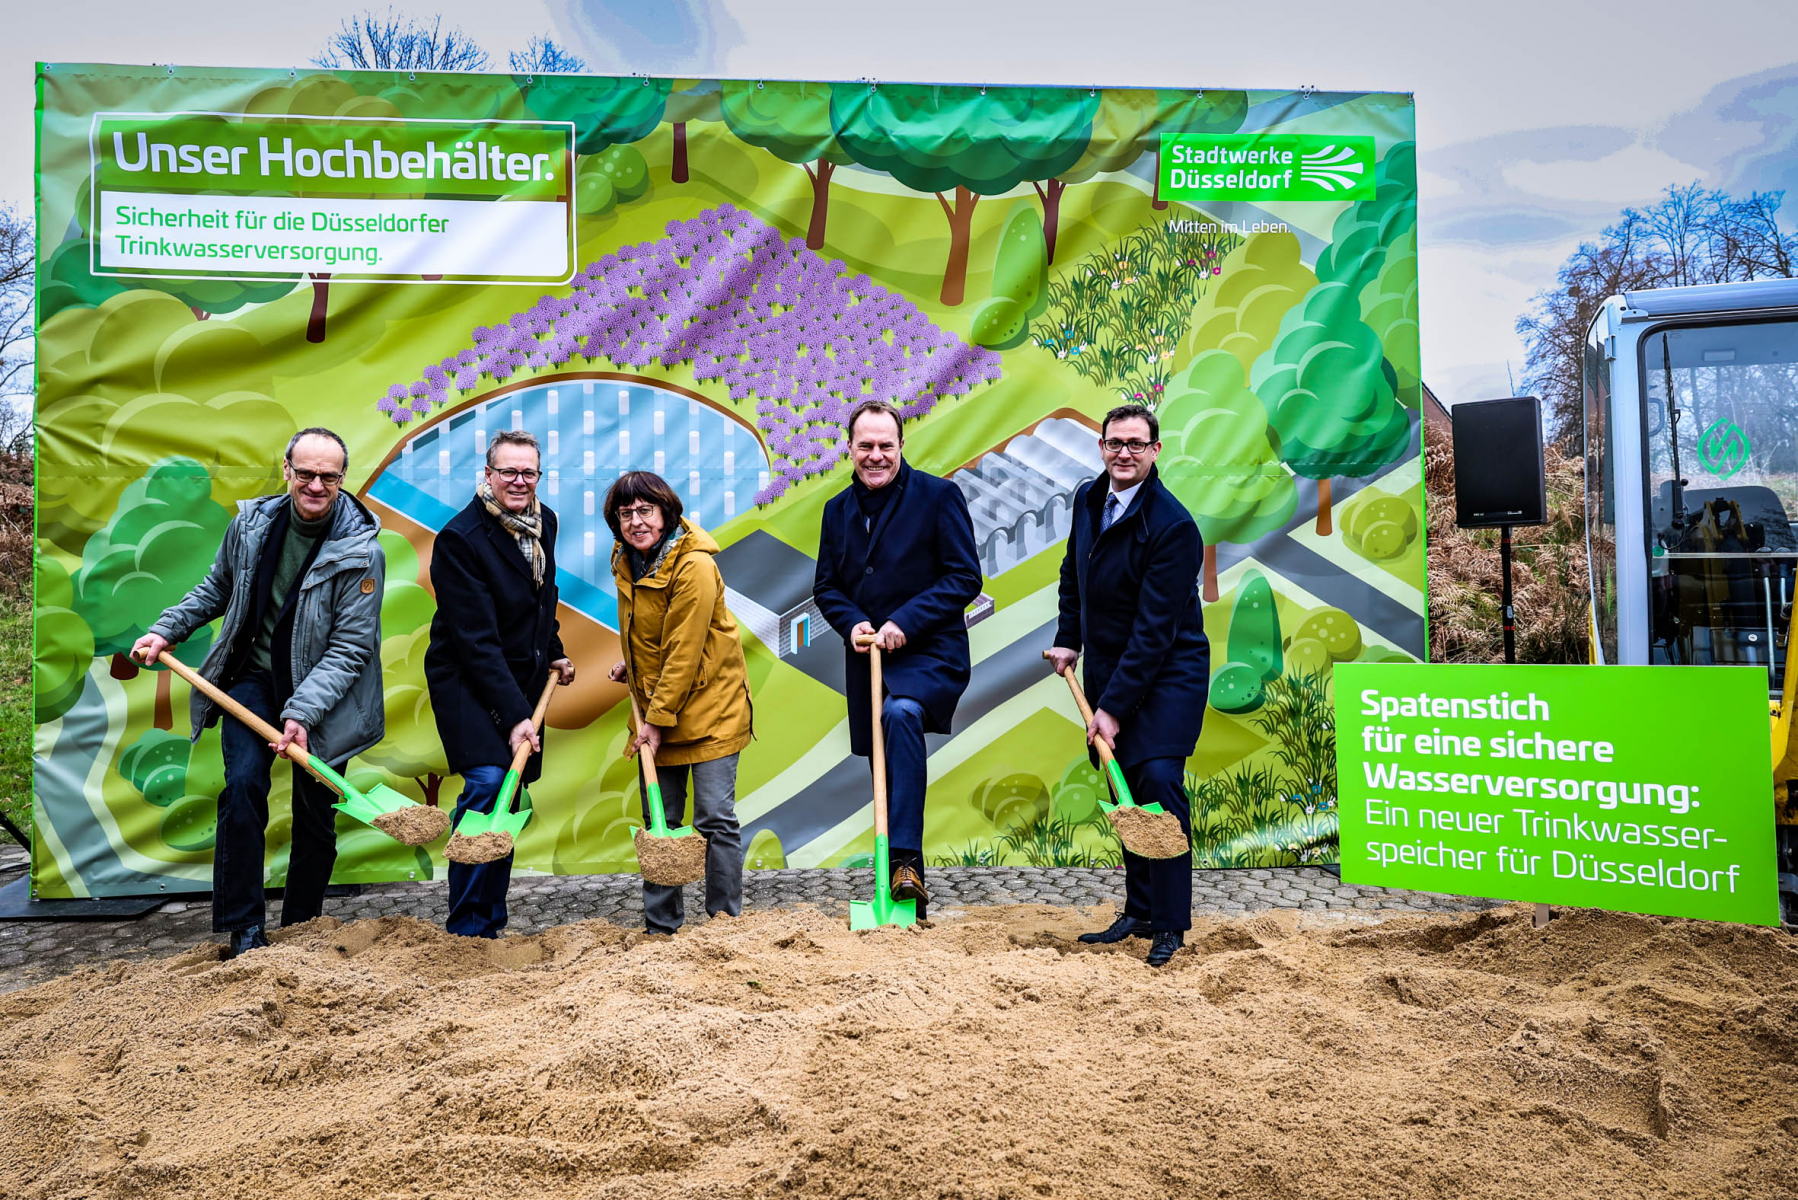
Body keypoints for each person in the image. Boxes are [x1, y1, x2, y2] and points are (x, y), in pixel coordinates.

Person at [131, 428, 385, 959]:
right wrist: (167, 628)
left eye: (329, 476)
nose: (316, 484)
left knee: (315, 809)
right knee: (244, 786)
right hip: (254, 677)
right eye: (306, 473)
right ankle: (245, 928)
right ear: (287, 470)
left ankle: (303, 925)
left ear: (342, 479)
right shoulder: (251, 524)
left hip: (323, 692)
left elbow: (349, 650)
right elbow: (217, 587)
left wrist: (301, 713)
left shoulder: (362, 551)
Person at [1045, 403, 1210, 968]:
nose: (1124, 453)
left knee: (1158, 785)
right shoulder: (1089, 499)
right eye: (1115, 443)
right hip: (1110, 670)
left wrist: (1112, 709)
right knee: (1125, 790)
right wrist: (1069, 637)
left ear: (1155, 451)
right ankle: (1139, 910)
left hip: (1167, 674)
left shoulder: (1173, 525)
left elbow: (1155, 630)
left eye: (1137, 444)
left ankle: (1169, 925)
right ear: (1102, 448)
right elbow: (1074, 574)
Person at [813, 399, 982, 918]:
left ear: (902, 445)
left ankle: (906, 862)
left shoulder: (938, 496)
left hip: (930, 653)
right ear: (850, 448)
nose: (876, 455)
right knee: (884, 759)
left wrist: (904, 622)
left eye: (886, 445)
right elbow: (826, 587)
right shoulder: (836, 509)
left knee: (901, 714)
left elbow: (964, 577)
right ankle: (904, 895)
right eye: (866, 445)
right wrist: (853, 623)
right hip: (868, 659)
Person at [425, 429, 575, 938]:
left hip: (522, 676)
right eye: (507, 471)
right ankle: (466, 926)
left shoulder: (544, 521)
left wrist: (553, 651)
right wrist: (516, 718)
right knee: (489, 784)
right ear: (487, 475)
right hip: (468, 678)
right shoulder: (460, 539)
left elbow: (542, 597)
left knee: (509, 795)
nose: (518, 481)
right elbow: (475, 642)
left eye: (527, 472)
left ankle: (491, 920)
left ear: (538, 475)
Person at [604, 471, 753, 935]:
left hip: (711, 708)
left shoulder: (695, 566)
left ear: (667, 512)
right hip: (659, 708)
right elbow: (653, 631)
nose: (636, 521)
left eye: (645, 510)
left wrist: (656, 719)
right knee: (659, 822)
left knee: (713, 818)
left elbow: (686, 648)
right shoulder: (627, 559)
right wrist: (634, 664)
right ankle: (661, 927)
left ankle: (722, 924)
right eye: (625, 514)